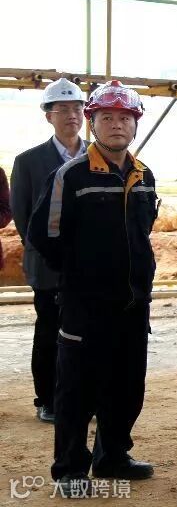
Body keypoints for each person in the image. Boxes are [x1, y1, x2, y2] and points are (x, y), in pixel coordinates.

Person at [28, 80, 157, 498]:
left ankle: (113, 456)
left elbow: (143, 233)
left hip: (133, 305)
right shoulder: (70, 175)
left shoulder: (144, 176)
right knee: (77, 391)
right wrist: (81, 277)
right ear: (93, 123)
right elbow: (45, 236)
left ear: (135, 124)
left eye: (125, 117)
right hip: (85, 308)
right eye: (107, 117)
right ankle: (69, 469)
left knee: (126, 386)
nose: (117, 124)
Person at [11, 78, 85, 425]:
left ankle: (83, 397)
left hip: (90, 266)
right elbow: (24, 218)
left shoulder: (98, 156)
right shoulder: (28, 162)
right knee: (50, 332)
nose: (72, 115)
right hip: (48, 266)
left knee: (87, 333)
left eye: (77, 108)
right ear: (49, 116)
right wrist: (55, 253)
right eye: (63, 109)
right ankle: (48, 399)